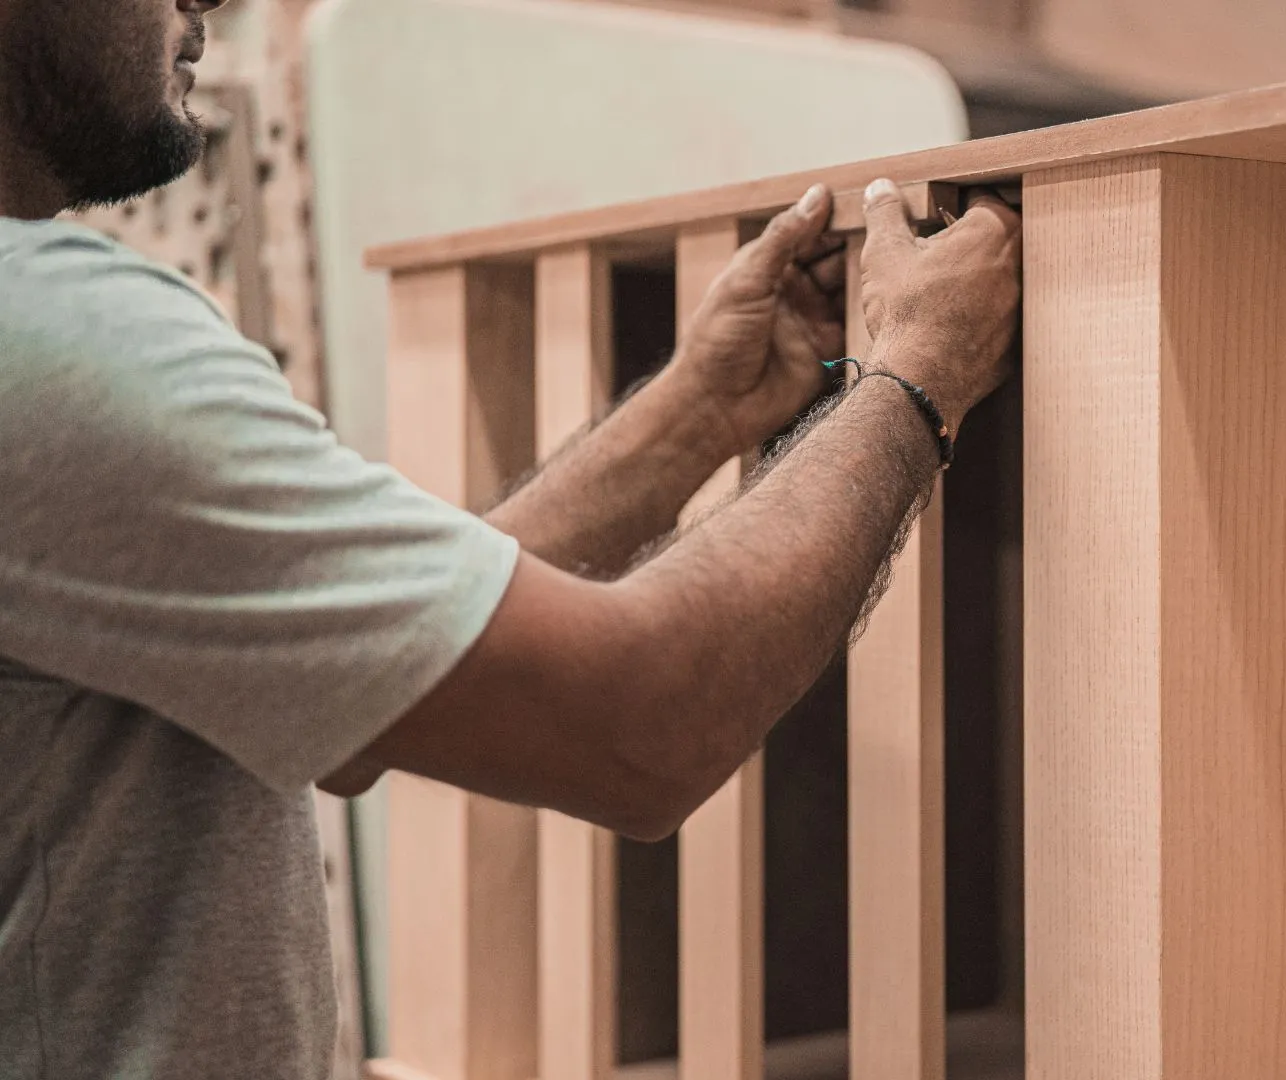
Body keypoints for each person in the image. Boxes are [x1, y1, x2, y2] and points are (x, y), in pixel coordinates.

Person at [0, 0, 1023, 1075]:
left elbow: (365, 711)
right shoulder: (49, 340)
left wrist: (698, 413)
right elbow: (641, 722)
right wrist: (919, 375)